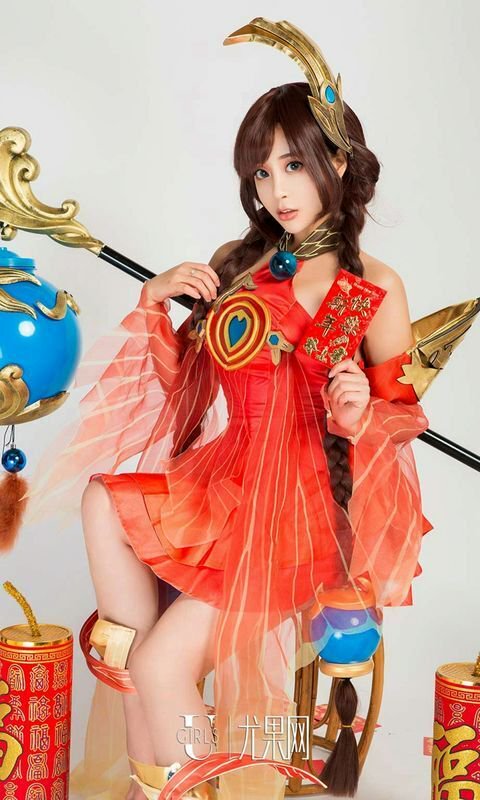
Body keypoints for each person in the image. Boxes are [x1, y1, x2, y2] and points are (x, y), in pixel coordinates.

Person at [23, 19, 433, 800]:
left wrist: (357, 412)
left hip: (300, 508)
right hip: (229, 480)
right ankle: (156, 766)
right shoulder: (239, 265)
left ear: (337, 162)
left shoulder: (368, 287)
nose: (276, 190)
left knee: (160, 664)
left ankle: (166, 769)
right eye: (261, 172)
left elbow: (401, 421)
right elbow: (189, 383)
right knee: (105, 506)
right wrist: (156, 303)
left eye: (293, 165)